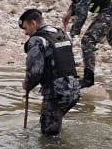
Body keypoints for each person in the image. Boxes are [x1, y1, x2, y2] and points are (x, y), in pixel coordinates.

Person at [19, 9, 80, 137]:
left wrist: (27, 85)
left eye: (25, 28)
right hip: (74, 90)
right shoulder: (60, 33)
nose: (25, 32)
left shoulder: (37, 40)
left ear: (33, 23)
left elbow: (35, 73)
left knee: (48, 135)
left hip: (57, 93)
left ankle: (57, 148)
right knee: (54, 123)